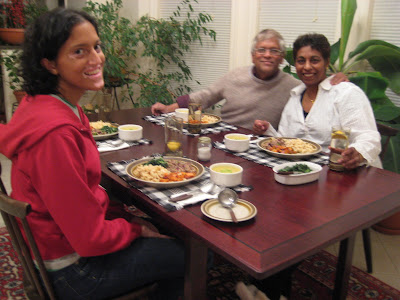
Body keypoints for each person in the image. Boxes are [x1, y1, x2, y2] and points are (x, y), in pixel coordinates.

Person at [0, 8, 185, 300]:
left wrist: (127, 222)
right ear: (50, 64)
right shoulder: (55, 135)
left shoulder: (49, 105)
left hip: (59, 247)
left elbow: (85, 194)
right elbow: (89, 240)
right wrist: (136, 230)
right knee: (190, 255)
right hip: (71, 271)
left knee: (162, 228)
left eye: (96, 47)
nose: (96, 58)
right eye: (79, 51)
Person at [151, 29, 347, 130]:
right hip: (223, 136)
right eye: (261, 50)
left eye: (274, 51)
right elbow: (204, 96)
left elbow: (316, 82)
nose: (267, 55)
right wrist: (169, 108)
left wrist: (337, 77)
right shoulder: (235, 75)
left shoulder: (294, 87)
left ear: (281, 58)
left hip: (261, 145)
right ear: (253, 55)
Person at [253, 33, 381, 169]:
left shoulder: (345, 92)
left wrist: (358, 153)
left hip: (348, 171)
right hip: (308, 170)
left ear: (326, 62)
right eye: (301, 61)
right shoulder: (296, 96)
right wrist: (268, 131)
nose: (307, 67)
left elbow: (368, 137)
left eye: (314, 60)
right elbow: (286, 141)